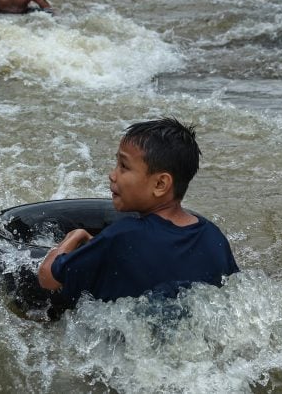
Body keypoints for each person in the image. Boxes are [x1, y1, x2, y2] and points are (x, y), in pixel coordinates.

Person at [37, 118, 238, 303]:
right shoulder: (213, 236)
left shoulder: (124, 235)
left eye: (123, 166)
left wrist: (74, 236)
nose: (112, 175)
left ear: (160, 184)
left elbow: (48, 278)